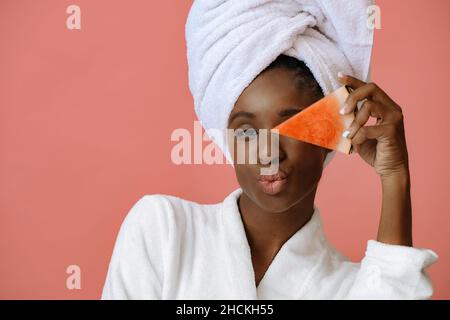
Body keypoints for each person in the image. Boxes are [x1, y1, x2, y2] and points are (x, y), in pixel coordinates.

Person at [101, 1, 438, 299]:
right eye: (246, 131)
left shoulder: (352, 286)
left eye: (290, 125)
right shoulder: (166, 231)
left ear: (330, 132)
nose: (267, 152)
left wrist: (395, 176)